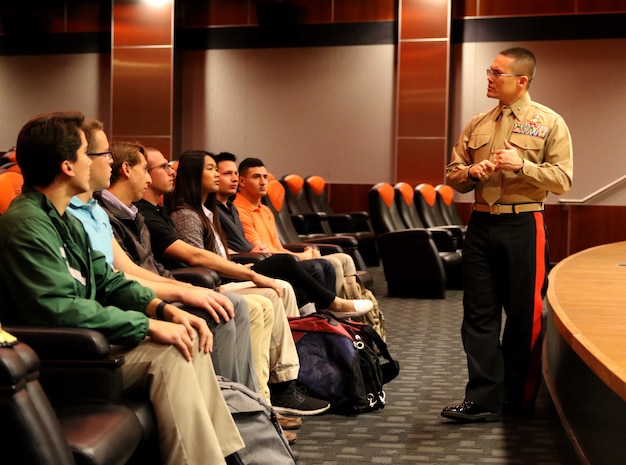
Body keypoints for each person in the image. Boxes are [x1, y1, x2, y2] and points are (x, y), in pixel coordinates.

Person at [0, 111, 244, 465]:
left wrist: (164, 310)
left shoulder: (65, 218)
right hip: (58, 353)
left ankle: (225, 457)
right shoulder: (27, 223)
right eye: (90, 154)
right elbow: (57, 308)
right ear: (68, 166)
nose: (103, 164)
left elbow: (109, 280)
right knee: (173, 354)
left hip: (85, 338)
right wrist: (147, 325)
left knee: (187, 337)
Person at [135, 146, 331, 418]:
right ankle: (266, 395)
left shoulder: (194, 211)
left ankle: (283, 382)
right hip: (203, 283)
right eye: (213, 170)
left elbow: (218, 254)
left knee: (287, 282)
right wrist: (249, 270)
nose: (171, 172)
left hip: (207, 279)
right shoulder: (182, 213)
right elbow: (195, 259)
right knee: (274, 286)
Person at [68, 119, 258, 393]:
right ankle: (239, 406)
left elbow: (122, 270)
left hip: (135, 298)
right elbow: (111, 283)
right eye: (103, 154)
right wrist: (170, 300)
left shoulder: (96, 210)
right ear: (70, 162)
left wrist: (182, 290)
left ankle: (250, 403)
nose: (108, 162)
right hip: (114, 315)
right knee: (219, 314)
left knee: (231, 305)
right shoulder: (59, 219)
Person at [442, 47, 573, 422]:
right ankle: (483, 399)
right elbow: (452, 172)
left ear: (522, 80)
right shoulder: (478, 122)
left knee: (523, 317)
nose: (489, 77)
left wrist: (524, 166)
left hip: (524, 225)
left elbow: (563, 179)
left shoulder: (549, 122)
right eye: (489, 71)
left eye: (497, 72)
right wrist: (471, 173)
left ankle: (519, 398)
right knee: (478, 316)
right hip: (481, 224)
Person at [212, 151, 373, 318]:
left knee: (332, 261)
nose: (234, 179)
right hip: (249, 262)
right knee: (311, 264)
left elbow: (275, 246)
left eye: (235, 174)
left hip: (252, 260)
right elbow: (224, 251)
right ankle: (325, 312)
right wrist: (301, 257)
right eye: (227, 174)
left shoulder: (233, 209)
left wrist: (301, 254)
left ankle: (334, 317)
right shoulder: (230, 208)